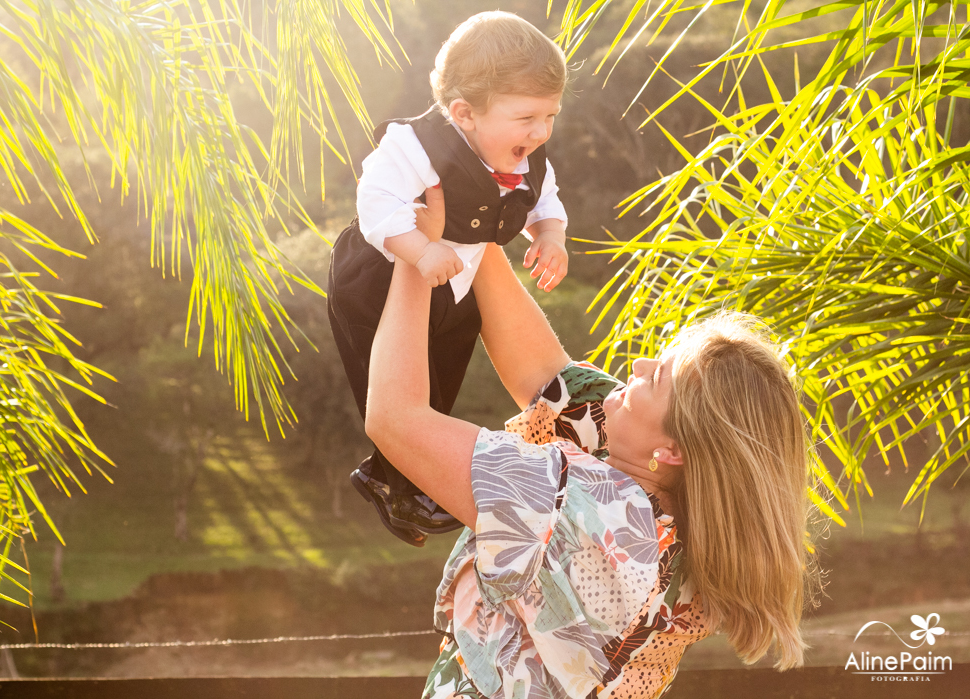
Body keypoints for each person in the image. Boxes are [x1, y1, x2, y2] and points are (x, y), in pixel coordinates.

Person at [365, 221, 820, 697]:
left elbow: (395, 416)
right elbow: (547, 378)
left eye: (657, 377)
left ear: (675, 451)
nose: (638, 368)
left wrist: (413, 240)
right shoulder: (684, 515)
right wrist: (476, 214)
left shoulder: (575, 509)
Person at [327, 11, 570, 546]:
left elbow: (542, 203)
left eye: (550, 116)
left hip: (455, 285)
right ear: (464, 114)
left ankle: (389, 480)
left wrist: (550, 237)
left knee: (438, 390)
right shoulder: (414, 146)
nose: (540, 131)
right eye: (527, 116)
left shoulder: (529, 156)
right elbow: (377, 205)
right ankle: (404, 484)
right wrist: (419, 250)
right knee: (398, 387)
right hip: (379, 279)